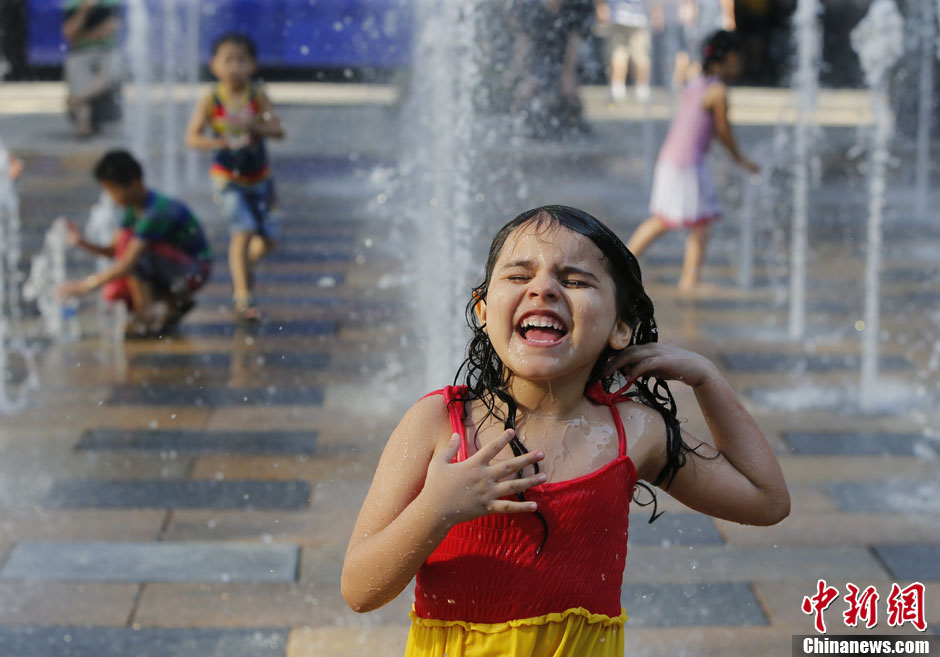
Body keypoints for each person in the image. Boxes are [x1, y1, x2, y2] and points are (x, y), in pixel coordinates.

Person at [342, 204, 790, 656]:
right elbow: (360, 590)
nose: (543, 290)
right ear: (482, 309)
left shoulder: (634, 431)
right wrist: (436, 508)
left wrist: (707, 380)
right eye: (518, 277)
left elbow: (766, 500)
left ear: (620, 327)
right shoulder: (441, 425)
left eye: (574, 281)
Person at [626, 30, 758, 295]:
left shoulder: (698, 83)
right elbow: (723, 132)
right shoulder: (718, 91)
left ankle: (678, 274)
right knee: (668, 220)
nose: (741, 64)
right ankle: (632, 262)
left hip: (676, 161)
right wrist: (741, 160)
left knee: (693, 222)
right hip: (685, 165)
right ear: (730, 58)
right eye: (739, 58)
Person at [58, 150, 212, 337]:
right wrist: (80, 242)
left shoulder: (156, 212)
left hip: (195, 270)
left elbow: (129, 263)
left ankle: (145, 318)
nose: (111, 198)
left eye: (112, 190)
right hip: (173, 266)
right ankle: (173, 302)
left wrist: (84, 286)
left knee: (138, 259)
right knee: (118, 283)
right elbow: (113, 250)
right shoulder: (133, 210)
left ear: (133, 183)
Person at [185, 33, 284, 321]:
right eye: (228, 60)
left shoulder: (257, 95)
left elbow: (278, 130)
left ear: (252, 65)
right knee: (242, 231)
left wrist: (256, 126)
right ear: (214, 65)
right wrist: (219, 143)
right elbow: (192, 137)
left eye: (241, 60)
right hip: (227, 178)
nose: (235, 67)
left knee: (268, 239)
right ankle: (243, 296)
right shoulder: (211, 99)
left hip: (260, 177)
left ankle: (244, 266)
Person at [61, 0, 122, 138]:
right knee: (77, 75)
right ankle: (83, 126)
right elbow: (69, 33)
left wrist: (81, 36)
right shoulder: (73, 4)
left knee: (111, 72)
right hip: (80, 53)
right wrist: (84, 10)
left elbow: (109, 29)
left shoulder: (110, 3)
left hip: (106, 51)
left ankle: (76, 99)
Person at [595, 0, 652, 102]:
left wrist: (601, 6)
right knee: (637, 55)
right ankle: (638, 88)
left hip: (621, 15)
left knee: (620, 54)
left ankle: (619, 87)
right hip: (636, 17)